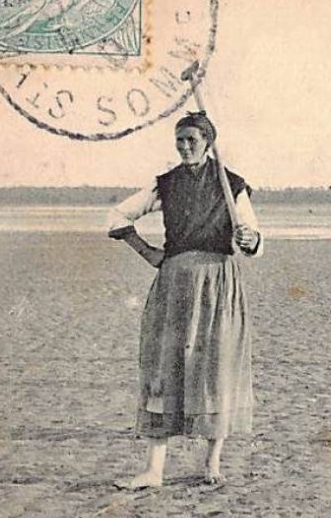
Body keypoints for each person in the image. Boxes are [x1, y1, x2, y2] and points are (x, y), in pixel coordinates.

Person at [105, 112, 262, 487]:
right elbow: (117, 215)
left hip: (219, 286)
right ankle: (153, 471)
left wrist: (249, 240)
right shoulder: (166, 184)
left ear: (208, 143)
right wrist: (148, 251)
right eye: (180, 141)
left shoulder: (232, 184)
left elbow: (254, 237)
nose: (185, 147)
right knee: (165, 368)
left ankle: (211, 465)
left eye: (192, 140)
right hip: (174, 285)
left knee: (214, 369)